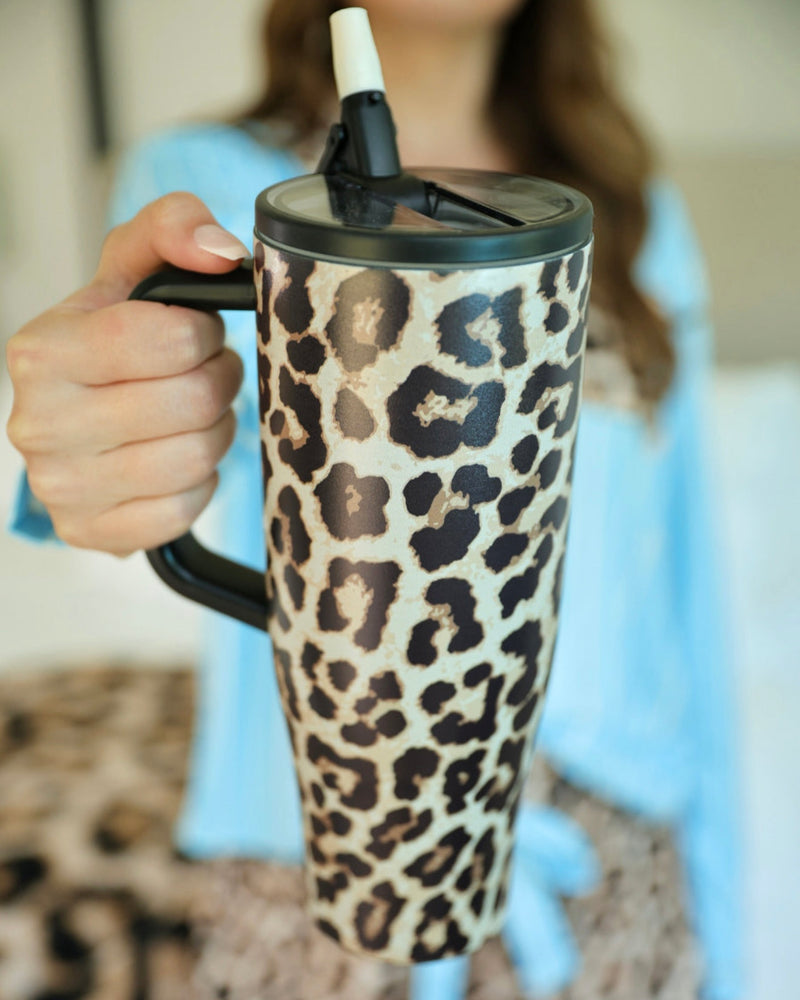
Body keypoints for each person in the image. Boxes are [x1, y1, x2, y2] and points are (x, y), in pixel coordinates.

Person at [5, 0, 743, 997]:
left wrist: (738, 948)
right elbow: (154, 449)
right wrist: (97, 457)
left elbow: (691, 595)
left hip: (611, 861)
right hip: (321, 857)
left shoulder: (629, 209)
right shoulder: (221, 186)